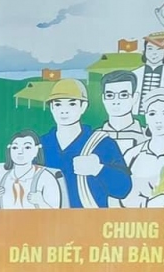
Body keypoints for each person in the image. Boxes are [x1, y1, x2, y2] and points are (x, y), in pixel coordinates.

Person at [40, 79, 132, 209]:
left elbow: (123, 189)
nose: (64, 110)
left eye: (72, 104)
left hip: (90, 221)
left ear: (83, 106)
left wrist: (98, 169)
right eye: (58, 104)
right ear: (52, 107)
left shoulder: (103, 144)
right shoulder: (40, 145)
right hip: (49, 221)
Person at [0, 130, 64, 209]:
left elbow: (57, 215)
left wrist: (41, 202)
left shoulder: (46, 177)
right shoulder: (2, 179)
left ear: (36, 150)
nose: (20, 152)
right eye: (15, 147)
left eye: (27, 147)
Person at [96, 71, 145, 157]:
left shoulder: (146, 136)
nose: (116, 101)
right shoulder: (94, 137)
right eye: (110, 95)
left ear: (135, 97)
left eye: (123, 95)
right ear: (103, 98)